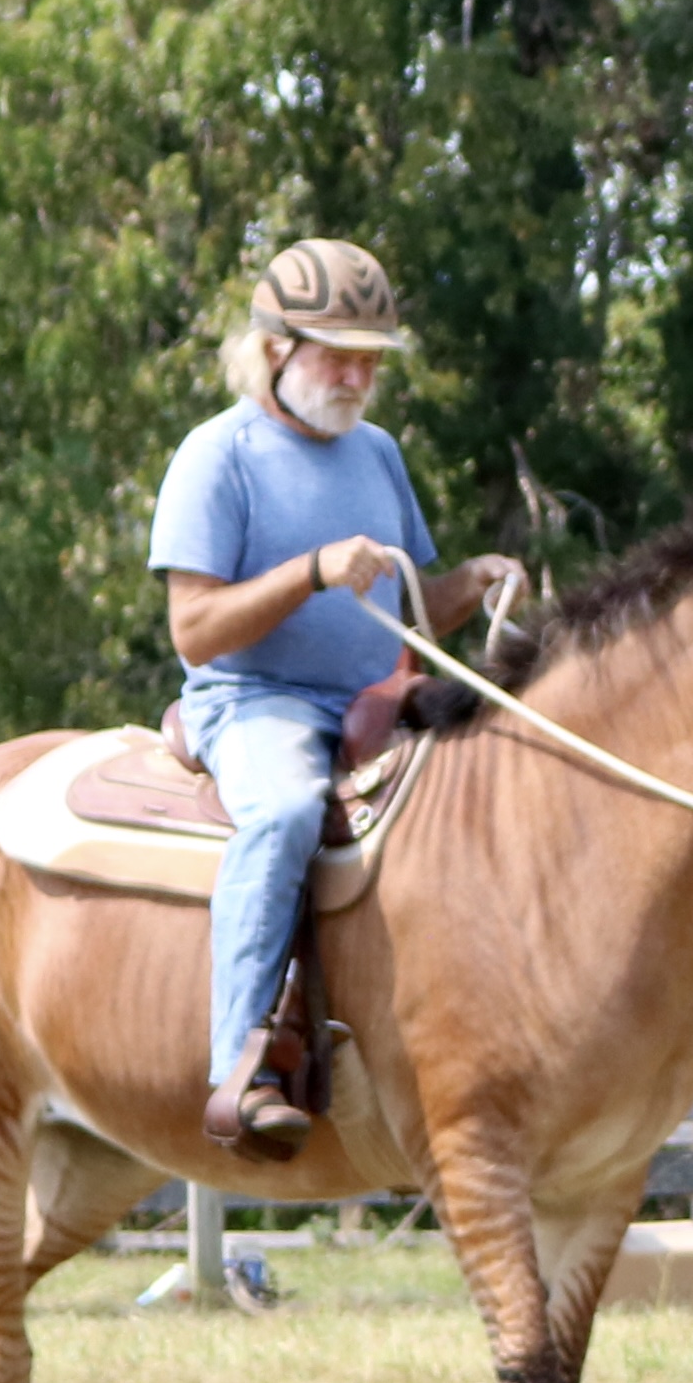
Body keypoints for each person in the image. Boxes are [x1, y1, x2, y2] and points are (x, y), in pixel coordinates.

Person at [151, 241, 519, 1156]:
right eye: (338, 357)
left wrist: (472, 581)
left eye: (370, 360)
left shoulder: (377, 454)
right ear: (274, 350)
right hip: (254, 700)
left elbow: (403, 610)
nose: (358, 377)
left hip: (375, 702)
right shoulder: (217, 456)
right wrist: (309, 571)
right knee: (282, 815)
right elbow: (193, 630)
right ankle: (240, 1066)